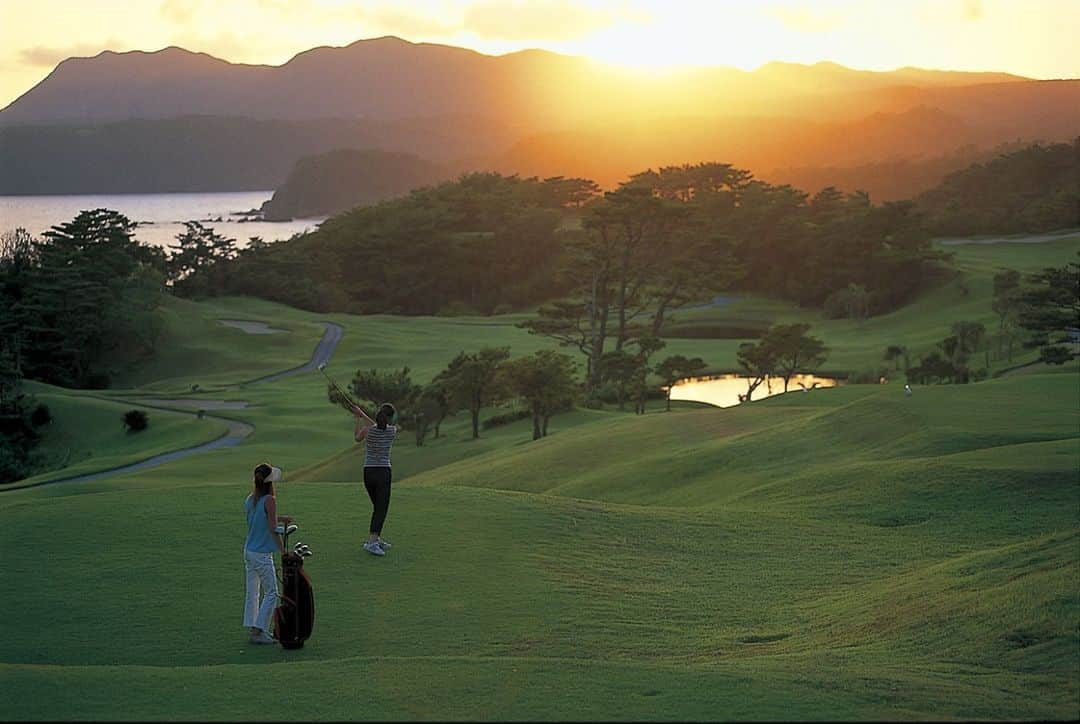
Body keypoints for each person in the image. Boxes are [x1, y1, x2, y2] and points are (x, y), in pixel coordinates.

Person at [243, 462, 290, 644]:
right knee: (272, 592)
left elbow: (261, 518)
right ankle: (259, 630)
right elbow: (272, 528)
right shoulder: (270, 500)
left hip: (249, 551)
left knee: (253, 591)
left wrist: (280, 518)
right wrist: (283, 550)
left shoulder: (250, 499)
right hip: (261, 553)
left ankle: (254, 628)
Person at [351, 401, 398, 557]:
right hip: (383, 472)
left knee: (378, 507)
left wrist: (358, 417)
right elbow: (378, 425)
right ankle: (371, 542)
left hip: (368, 472)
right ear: (390, 418)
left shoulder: (367, 431)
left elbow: (357, 438)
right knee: (381, 508)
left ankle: (375, 538)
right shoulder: (392, 431)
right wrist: (362, 414)